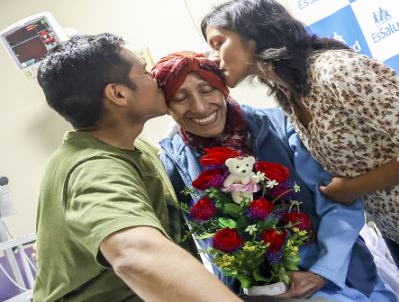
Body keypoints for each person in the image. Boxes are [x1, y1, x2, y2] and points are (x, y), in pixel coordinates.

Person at [200, 0, 399, 302]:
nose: (211, 56)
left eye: (218, 42)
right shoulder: (286, 91)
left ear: (253, 33)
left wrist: (352, 188)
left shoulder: (335, 71)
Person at [152, 51, 397, 302]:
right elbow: (208, 245)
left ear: (223, 88)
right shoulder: (174, 163)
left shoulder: (282, 126)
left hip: (336, 275)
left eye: (207, 90)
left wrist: (322, 272)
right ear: (166, 106)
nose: (200, 107)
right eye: (180, 98)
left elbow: (339, 202)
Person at [34, 33, 243, 302]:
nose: (156, 80)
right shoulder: (94, 168)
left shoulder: (134, 149)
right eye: (145, 72)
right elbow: (134, 254)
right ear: (118, 94)